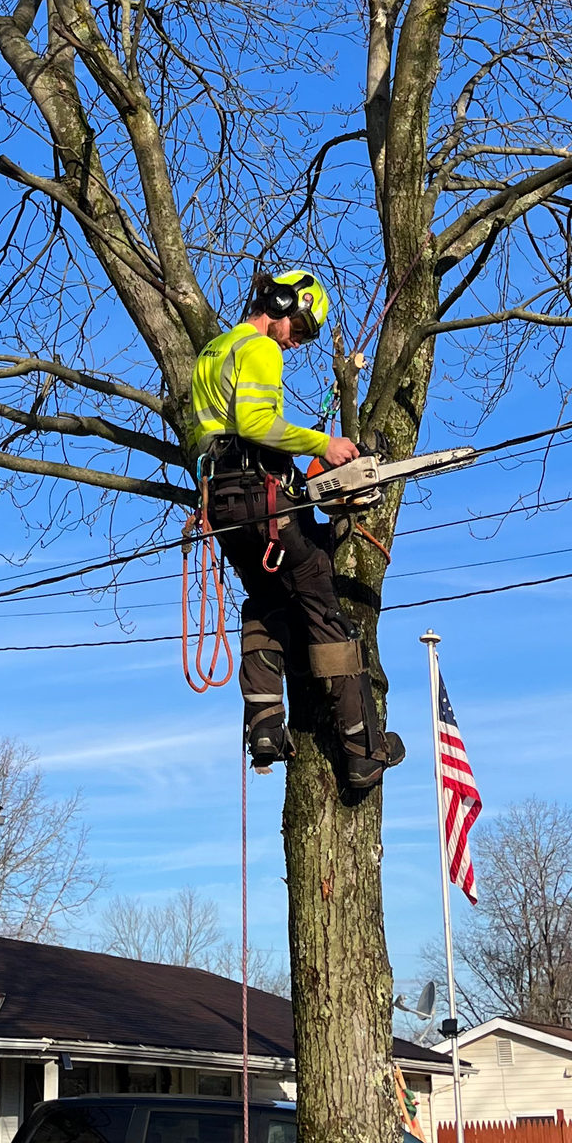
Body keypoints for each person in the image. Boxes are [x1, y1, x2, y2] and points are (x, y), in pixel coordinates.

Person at [189, 269, 405, 790]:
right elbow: (258, 424)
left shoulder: (211, 352)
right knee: (324, 607)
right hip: (264, 501)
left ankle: (264, 728)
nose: (300, 340)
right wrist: (322, 445)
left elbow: (206, 437)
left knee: (265, 601)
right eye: (302, 327)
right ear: (282, 303)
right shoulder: (261, 350)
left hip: (223, 506)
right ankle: (362, 751)